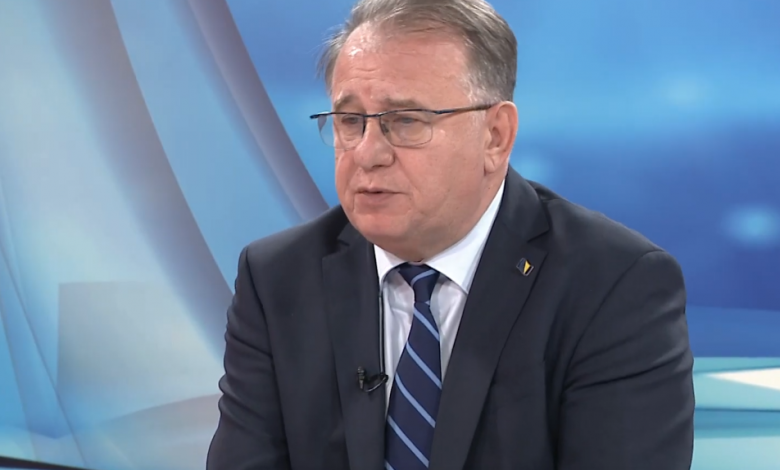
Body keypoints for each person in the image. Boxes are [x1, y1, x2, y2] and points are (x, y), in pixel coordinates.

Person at [206, 0, 695, 468]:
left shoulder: (612, 286)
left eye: (405, 121)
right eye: (351, 122)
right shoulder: (277, 280)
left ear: (495, 136)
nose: (367, 153)